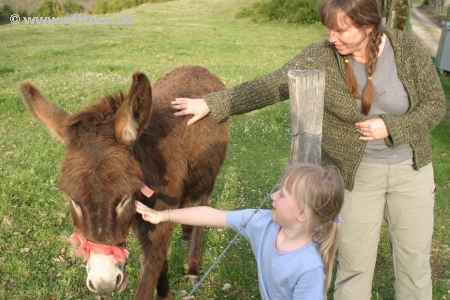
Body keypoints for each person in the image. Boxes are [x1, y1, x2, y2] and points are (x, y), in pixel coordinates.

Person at [169, 0, 446, 298]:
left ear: (368, 27)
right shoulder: (322, 56)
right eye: (328, 29)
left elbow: (435, 105)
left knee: (414, 267)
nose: (331, 38)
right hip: (355, 178)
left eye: (340, 30)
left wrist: (393, 127)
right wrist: (212, 103)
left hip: (411, 171)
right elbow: (272, 85)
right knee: (354, 268)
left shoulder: (405, 49)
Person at [136, 163, 345, 300]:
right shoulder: (261, 223)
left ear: (302, 214)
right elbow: (211, 215)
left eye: (282, 194)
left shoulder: (309, 269)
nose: (273, 196)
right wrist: (163, 216)